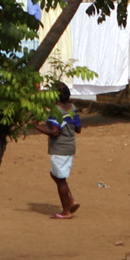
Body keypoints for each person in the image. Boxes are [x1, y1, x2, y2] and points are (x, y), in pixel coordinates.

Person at [37, 83, 83, 219]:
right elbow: (78, 129)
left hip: (59, 148)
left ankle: (66, 211)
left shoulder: (56, 111)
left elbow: (55, 132)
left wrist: (36, 127)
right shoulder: (72, 108)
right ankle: (71, 200)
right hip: (70, 146)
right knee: (55, 175)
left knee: (60, 179)